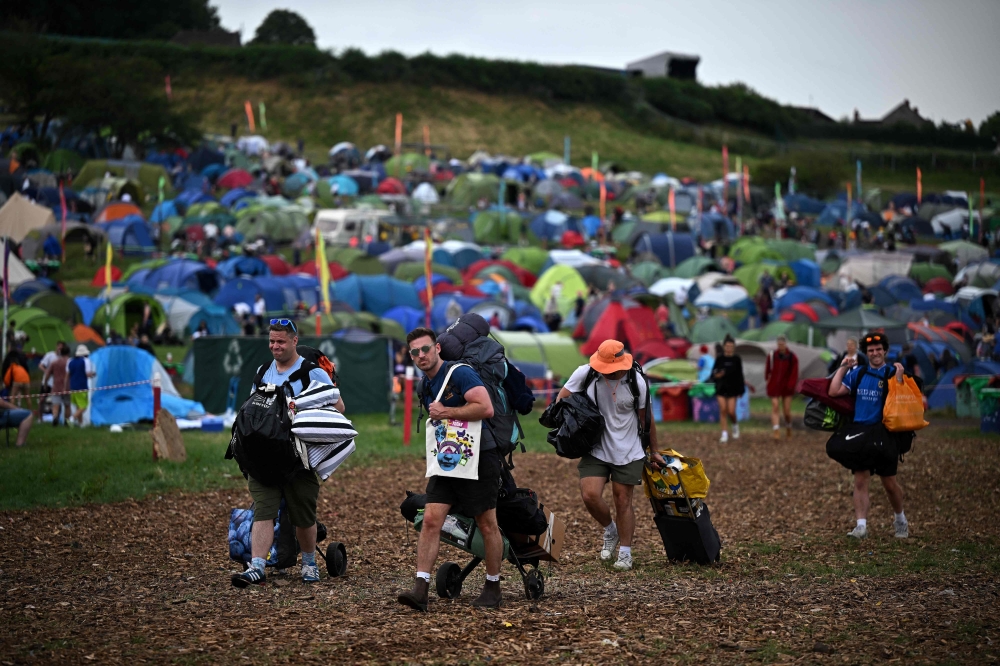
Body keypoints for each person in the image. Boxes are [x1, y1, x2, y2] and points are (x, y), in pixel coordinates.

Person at [397, 327, 503, 611]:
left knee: (487, 523)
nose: (422, 355)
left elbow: (486, 407)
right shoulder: (425, 384)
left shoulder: (460, 373)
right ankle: (421, 589)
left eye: (426, 349)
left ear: (437, 348)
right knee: (431, 519)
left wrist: (447, 412)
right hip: (448, 460)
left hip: (480, 456)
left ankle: (493, 586)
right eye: (415, 352)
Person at [231, 319, 342, 588]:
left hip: (298, 459)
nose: (275, 346)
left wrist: (301, 413)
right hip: (264, 458)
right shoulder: (262, 372)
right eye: (271, 341)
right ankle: (257, 566)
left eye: (281, 341)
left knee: (303, 516)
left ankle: (309, 563)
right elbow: (252, 408)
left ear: (294, 341)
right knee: (263, 512)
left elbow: (338, 407)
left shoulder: (313, 373)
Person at [556, 340, 662, 572]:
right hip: (596, 447)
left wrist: (654, 451)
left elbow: (647, 419)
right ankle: (610, 530)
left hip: (629, 448)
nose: (608, 373)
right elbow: (561, 400)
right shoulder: (586, 374)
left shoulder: (637, 382)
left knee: (622, 499)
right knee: (590, 495)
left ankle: (625, 553)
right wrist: (575, 421)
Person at [828, 333, 910, 539]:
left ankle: (900, 519)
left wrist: (899, 380)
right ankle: (861, 527)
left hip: (884, 435)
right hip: (861, 434)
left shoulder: (893, 373)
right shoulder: (860, 373)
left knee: (889, 484)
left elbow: (903, 404)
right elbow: (833, 391)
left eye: (878, 349)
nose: (875, 353)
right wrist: (843, 367)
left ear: (885, 351)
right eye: (871, 350)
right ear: (866, 353)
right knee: (860, 481)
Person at [712, 336, 745, 443]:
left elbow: (740, 375)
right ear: (724, 347)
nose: (729, 348)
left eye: (731, 346)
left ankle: (735, 424)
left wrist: (741, 389)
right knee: (723, 410)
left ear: (734, 347)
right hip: (721, 388)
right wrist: (718, 375)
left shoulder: (737, 359)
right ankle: (724, 433)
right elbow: (713, 373)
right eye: (727, 346)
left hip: (733, 388)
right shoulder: (720, 358)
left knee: (731, 411)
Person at [765, 335, 799, 440]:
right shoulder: (772, 356)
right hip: (774, 385)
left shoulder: (792, 357)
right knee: (775, 406)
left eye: (782, 344)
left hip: (787, 387)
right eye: (779, 344)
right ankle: (776, 430)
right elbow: (767, 370)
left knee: (786, 411)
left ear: (785, 344)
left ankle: (788, 427)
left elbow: (794, 373)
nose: (780, 346)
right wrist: (768, 380)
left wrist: (791, 385)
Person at [42, 344, 71, 426]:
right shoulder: (70, 362)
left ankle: (55, 417)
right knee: (67, 405)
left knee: (55, 405)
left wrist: (45, 384)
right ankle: (67, 421)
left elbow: (47, 374)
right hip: (67, 387)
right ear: (68, 353)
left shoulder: (54, 363)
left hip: (56, 386)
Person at [67, 345, 96, 426]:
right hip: (82, 386)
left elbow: (68, 374)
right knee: (83, 406)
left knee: (78, 406)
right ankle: (71, 419)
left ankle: (81, 423)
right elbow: (87, 374)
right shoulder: (85, 361)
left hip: (72, 386)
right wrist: (93, 374)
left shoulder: (71, 361)